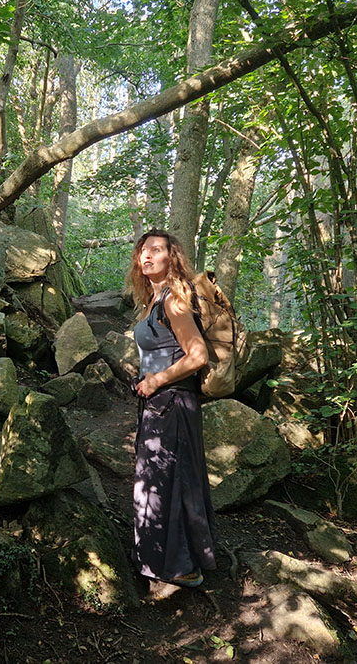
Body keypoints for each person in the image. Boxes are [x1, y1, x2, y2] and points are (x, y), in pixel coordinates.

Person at [126, 229, 216, 588]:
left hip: (174, 402)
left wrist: (156, 380)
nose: (147, 256)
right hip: (162, 403)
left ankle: (180, 566)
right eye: (143, 250)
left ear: (171, 258)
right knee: (162, 480)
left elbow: (198, 356)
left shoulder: (174, 300)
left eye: (156, 250)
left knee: (167, 482)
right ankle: (169, 559)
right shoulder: (154, 298)